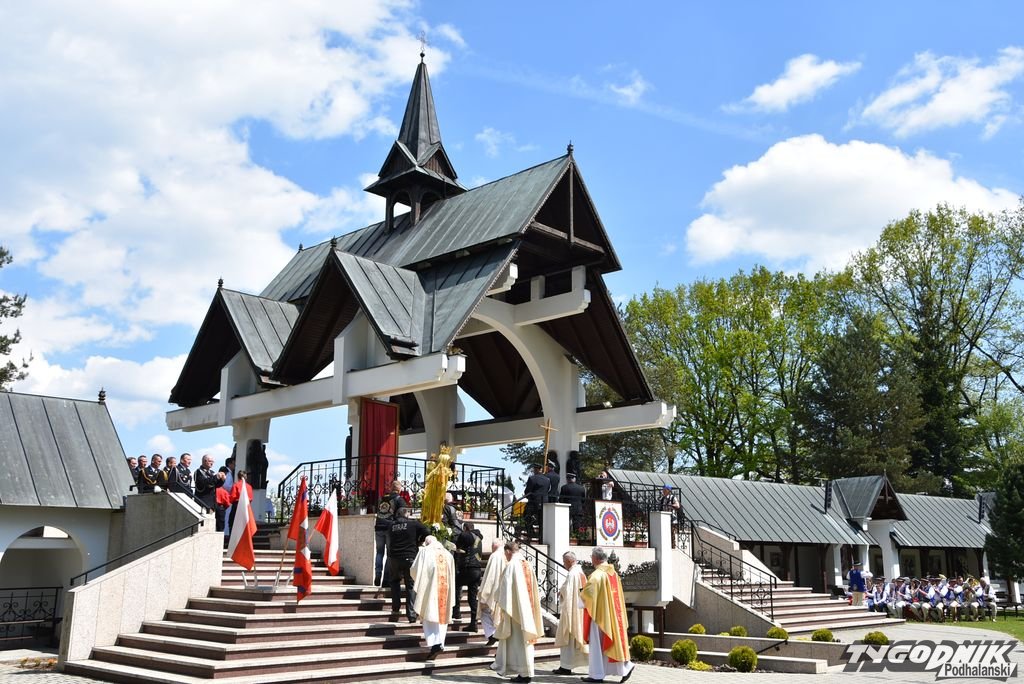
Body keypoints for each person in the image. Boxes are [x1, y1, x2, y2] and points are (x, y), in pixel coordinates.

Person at [491, 540, 543, 684]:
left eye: (505, 554)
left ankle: (524, 674)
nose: (506, 557)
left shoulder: (512, 565)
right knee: (525, 644)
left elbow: (505, 589)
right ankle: (525, 672)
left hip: (516, 613)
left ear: (508, 551)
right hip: (528, 611)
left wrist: (497, 599)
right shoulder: (527, 564)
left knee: (519, 644)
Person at [581, 546, 635, 683]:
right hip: (614, 616)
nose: (591, 559)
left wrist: (579, 595)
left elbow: (588, 595)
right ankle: (625, 667)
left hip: (600, 616)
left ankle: (596, 675)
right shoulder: (613, 573)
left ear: (595, 558)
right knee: (613, 643)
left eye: (592, 557)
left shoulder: (597, 575)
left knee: (597, 645)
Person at [411, 535, 456, 659]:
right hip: (445, 590)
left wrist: (419, 582)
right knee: (442, 617)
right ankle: (440, 643)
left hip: (430, 589)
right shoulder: (448, 554)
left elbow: (414, 570)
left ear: (426, 542)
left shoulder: (424, 551)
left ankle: (435, 644)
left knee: (428, 614)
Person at [387, 504, 428, 622]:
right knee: (410, 585)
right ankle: (411, 615)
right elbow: (427, 531)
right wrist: (418, 541)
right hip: (409, 557)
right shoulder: (413, 524)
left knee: (394, 582)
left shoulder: (391, 526)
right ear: (407, 514)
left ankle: (395, 608)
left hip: (394, 558)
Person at [552, 550, 588, 675]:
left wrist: (561, 592)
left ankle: (566, 667)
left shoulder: (573, 574)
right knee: (574, 639)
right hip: (580, 610)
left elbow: (568, 592)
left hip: (572, 611)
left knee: (568, 638)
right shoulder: (580, 572)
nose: (563, 564)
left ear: (569, 561)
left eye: (564, 562)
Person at [453, 521, 483, 631]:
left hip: (468, 568)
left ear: (465, 528)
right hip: (477, 570)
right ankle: (473, 623)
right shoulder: (478, 537)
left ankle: (456, 612)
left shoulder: (467, 534)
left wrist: (456, 547)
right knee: (472, 598)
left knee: (454, 585)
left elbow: (459, 543)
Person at [374, 480, 403, 586]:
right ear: (399, 489)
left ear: (391, 488)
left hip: (378, 527)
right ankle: (385, 579)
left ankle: (378, 574)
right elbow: (403, 516)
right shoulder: (399, 500)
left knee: (379, 552)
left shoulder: (383, 498)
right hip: (390, 529)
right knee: (389, 554)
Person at [479, 539, 508, 646]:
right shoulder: (507, 555)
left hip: (495, 591)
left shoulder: (495, 556)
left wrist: (484, 593)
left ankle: (492, 635)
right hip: (505, 592)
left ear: (494, 546)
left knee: (484, 612)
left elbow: (490, 576)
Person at [194, 454, 222, 524]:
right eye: (210, 461)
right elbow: (205, 483)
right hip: (203, 501)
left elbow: (216, 485)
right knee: (203, 523)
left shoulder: (211, 472)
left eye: (212, 461)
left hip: (212, 502)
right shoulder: (199, 472)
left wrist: (222, 480)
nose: (212, 463)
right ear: (204, 461)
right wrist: (216, 477)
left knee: (211, 523)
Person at [523, 464, 549, 535]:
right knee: (542, 520)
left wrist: (528, 496)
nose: (534, 471)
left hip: (534, 502)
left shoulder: (532, 478)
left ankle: (531, 533)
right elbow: (547, 490)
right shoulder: (547, 479)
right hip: (544, 502)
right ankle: (541, 535)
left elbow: (527, 491)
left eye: (534, 469)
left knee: (526, 516)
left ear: (536, 470)